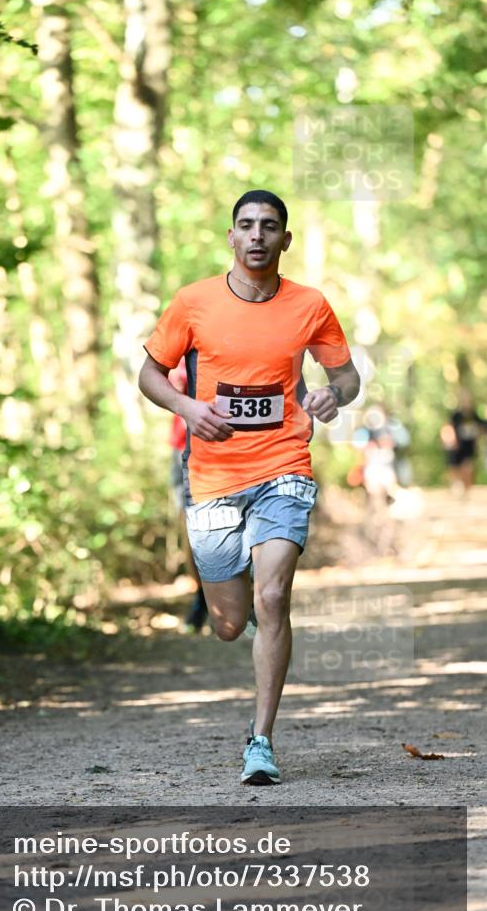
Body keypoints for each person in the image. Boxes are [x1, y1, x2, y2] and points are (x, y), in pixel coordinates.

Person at [138, 189, 360, 786]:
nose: (257, 235)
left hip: (285, 465)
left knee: (272, 598)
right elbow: (149, 373)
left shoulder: (310, 305)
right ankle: (231, 613)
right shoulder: (194, 303)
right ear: (230, 237)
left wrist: (329, 396)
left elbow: (346, 376)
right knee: (229, 622)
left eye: (269, 226)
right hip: (212, 477)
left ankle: (260, 740)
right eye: (246, 225)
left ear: (285, 239)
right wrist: (187, 408)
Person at [169, 360, 209, 630]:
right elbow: (164, 382)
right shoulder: (180, 332)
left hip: (227, 448)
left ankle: (241, 596)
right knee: (190, 523)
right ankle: (202, 598)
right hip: (183, 446)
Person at [440, 387, 487, 493]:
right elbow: (448, 428)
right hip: (456, 447)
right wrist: (449, 441)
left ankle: (467, 491)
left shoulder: (473, 414)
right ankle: (458, 488)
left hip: (469, 448)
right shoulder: (456, 415)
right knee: (455, 470)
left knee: (468, 468)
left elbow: (482, 426)